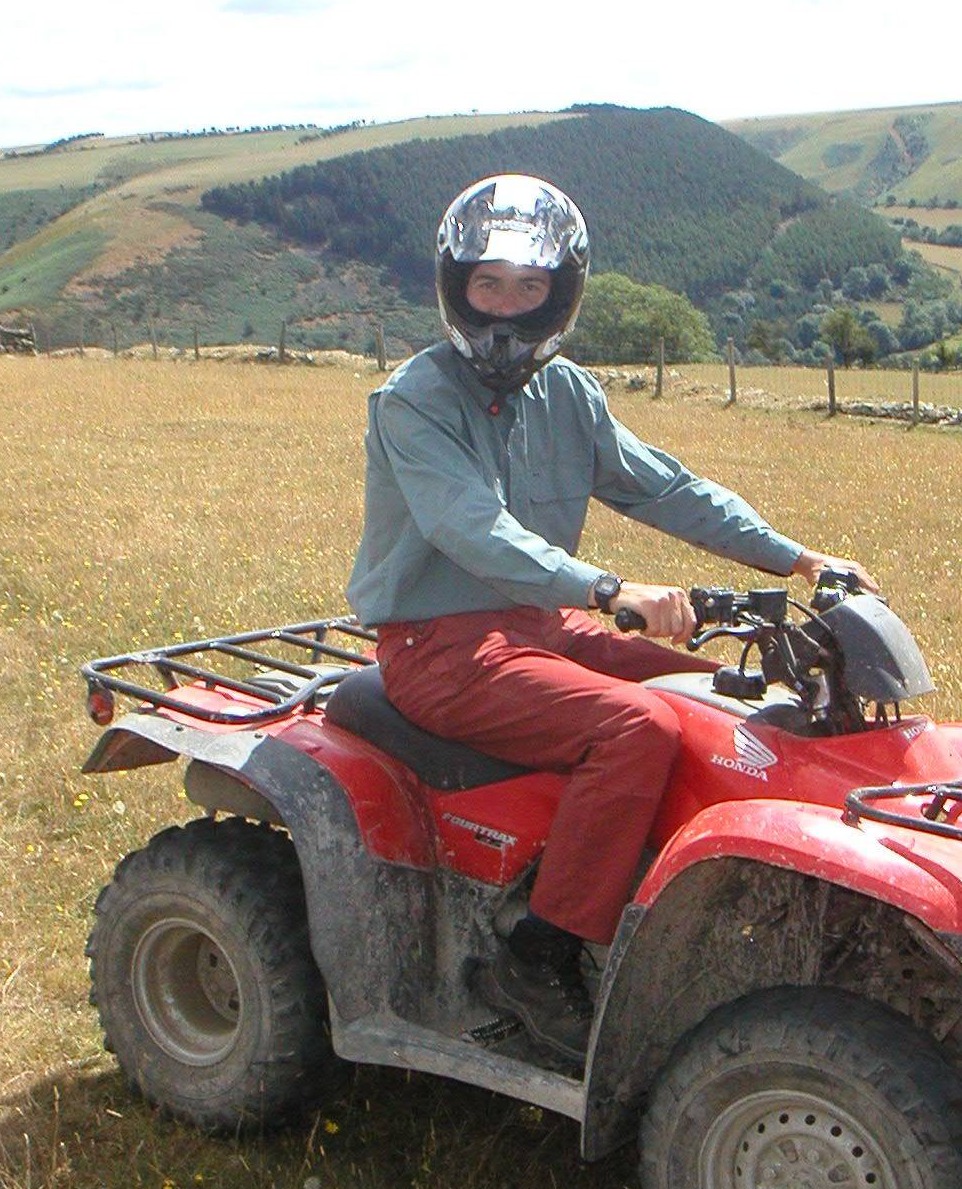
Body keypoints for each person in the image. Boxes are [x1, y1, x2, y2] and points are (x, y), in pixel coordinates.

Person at [347, 174, 878, 1063]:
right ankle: (539, 951)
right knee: (633, 729)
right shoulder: (414, 399)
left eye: (529, 289)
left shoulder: (569, 395)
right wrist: (606, 589)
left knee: (726, 698)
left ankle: (696, 908)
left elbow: (664, 487)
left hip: (541, 626)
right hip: (440, 647)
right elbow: (468, 527)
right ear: (455, 287)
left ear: (561, 294)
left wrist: (799, 559)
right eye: (489, 286)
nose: (508, 311)